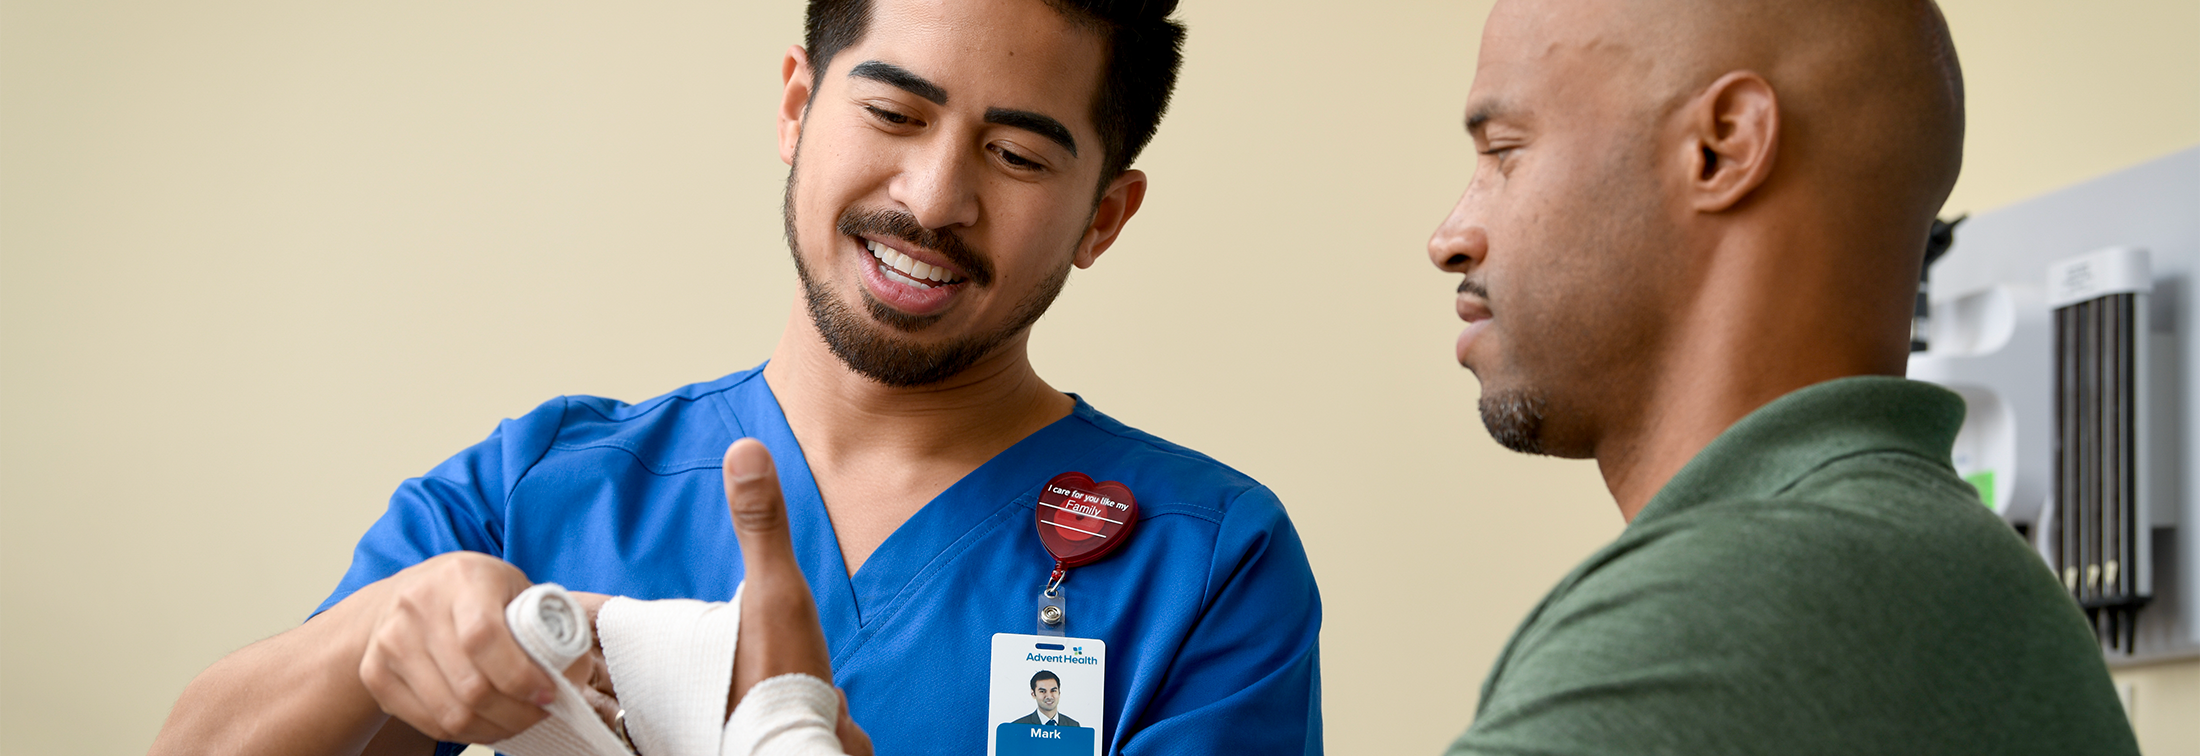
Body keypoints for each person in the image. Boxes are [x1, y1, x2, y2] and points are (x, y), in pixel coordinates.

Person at [147, 1, 1322, 754]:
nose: (930, 199)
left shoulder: (1206, 560)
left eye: (1015, 155)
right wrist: (374, 640)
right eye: (891, 112)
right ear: (800, 107)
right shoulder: (539, 493)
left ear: (1103, 218)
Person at [1424, 0, 2140, 753]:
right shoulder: (1989, 600)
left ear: (1722, 147)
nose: (1450, 238)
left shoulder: (1717, 616)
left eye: (1504, 151)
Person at [1010, 671, 1080, 728]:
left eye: (1053, 690)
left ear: (1059, 693)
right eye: (1042, 691)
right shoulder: (1018, 727)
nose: (1049, 696)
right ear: (1033, 694)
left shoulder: (1073, 726)